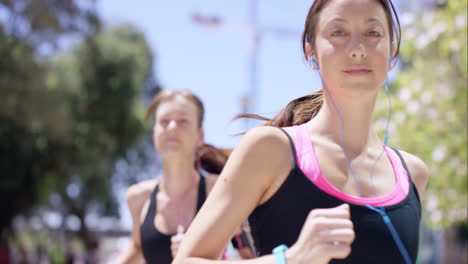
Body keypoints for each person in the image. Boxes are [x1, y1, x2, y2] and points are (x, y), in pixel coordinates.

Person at [173, 0, 429, 263]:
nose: (357, 49)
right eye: (338, 32)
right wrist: (292, 258)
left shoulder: (413, 174)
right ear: (311, 53)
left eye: (373, 32)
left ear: (392, 53)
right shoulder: (270, 151)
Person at [116, 90, 232, 264]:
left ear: (200, 136)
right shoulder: (138, 197)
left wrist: (201, 257)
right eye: (164, 121)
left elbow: (253, 257)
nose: (171, 127)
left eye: (182, 121)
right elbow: (138, 248)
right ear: (154, 133)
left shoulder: (221, 191)